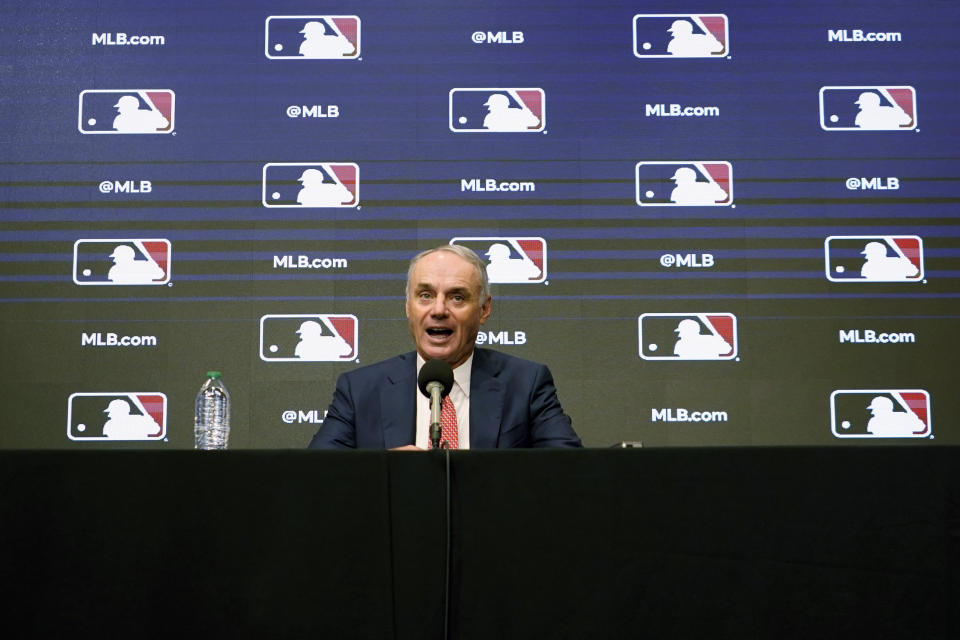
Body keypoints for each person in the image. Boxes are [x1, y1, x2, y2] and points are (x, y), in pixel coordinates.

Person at [308, 244, 582, 449]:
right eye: (425, 295)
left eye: (457, 297)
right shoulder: (359, 390)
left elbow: (568, 471)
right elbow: (316, 477)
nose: (439, 310)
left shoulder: (526, 384)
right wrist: (382, 473)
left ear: (484, 309)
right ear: (408, 307)